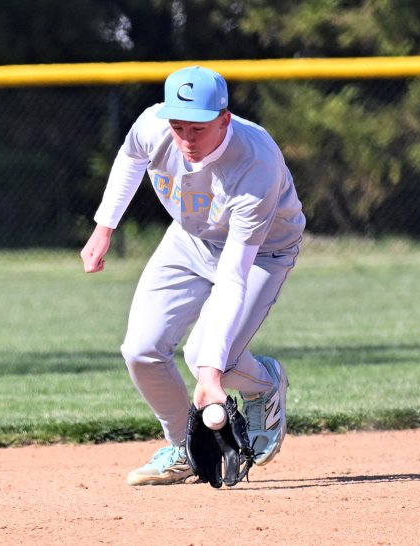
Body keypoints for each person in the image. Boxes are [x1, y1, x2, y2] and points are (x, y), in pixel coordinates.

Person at [80, 66, 306, 486]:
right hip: (190, 238)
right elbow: (131, 158)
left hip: (262, 252)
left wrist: (210, 376)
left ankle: (263, 385)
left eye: (198, 127)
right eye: (178, 125)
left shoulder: (256, 164)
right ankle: (182, 449)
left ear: (224, 118)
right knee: (141, 350)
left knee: (209, 353)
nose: (186, 138)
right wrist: (104, 226)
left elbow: (233, 277)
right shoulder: (154, 124)